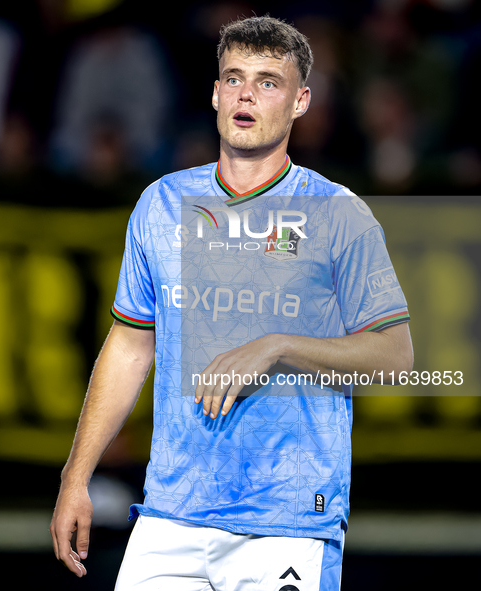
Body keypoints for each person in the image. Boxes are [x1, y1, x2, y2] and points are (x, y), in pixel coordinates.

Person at [50, 15, 413, 590]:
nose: (247, 93)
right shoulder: (161, 204)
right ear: (216, 92)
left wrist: (278, 346)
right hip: (171, 512)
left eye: (269, 81)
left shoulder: (338, 214)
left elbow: (395, 356)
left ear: (301, 102)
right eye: (235, 77)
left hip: (289, 519)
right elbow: (128, 346)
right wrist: (76, 476)